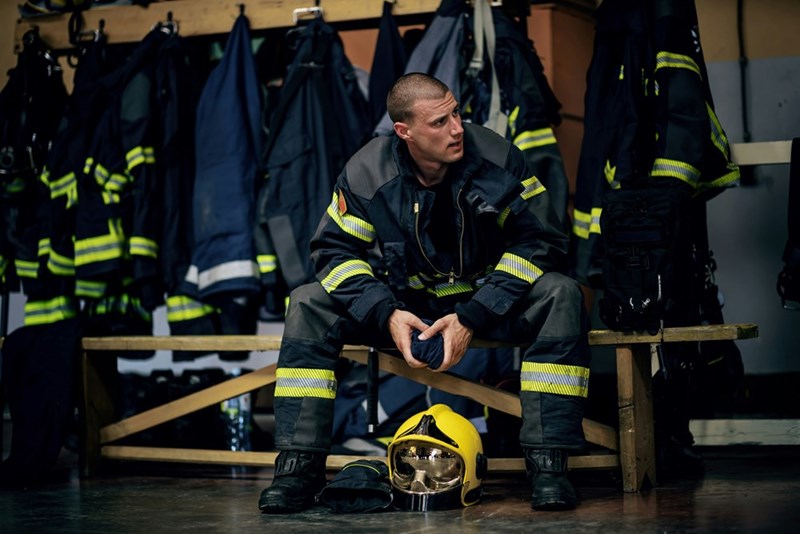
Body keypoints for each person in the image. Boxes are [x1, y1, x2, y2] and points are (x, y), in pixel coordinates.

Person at [258, 73, 591, 513]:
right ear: (404, 131)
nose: (456, 128)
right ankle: (298, 468)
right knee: (307, 302)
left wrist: (474, 316)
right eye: (439, 122)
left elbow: (542, 241)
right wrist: (386, 314)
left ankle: (549, 465)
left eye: (456, 113)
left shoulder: (498, 156)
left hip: (490, 300)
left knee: (560, 293)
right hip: (404, 308)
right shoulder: (366, 170)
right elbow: (333, 252)